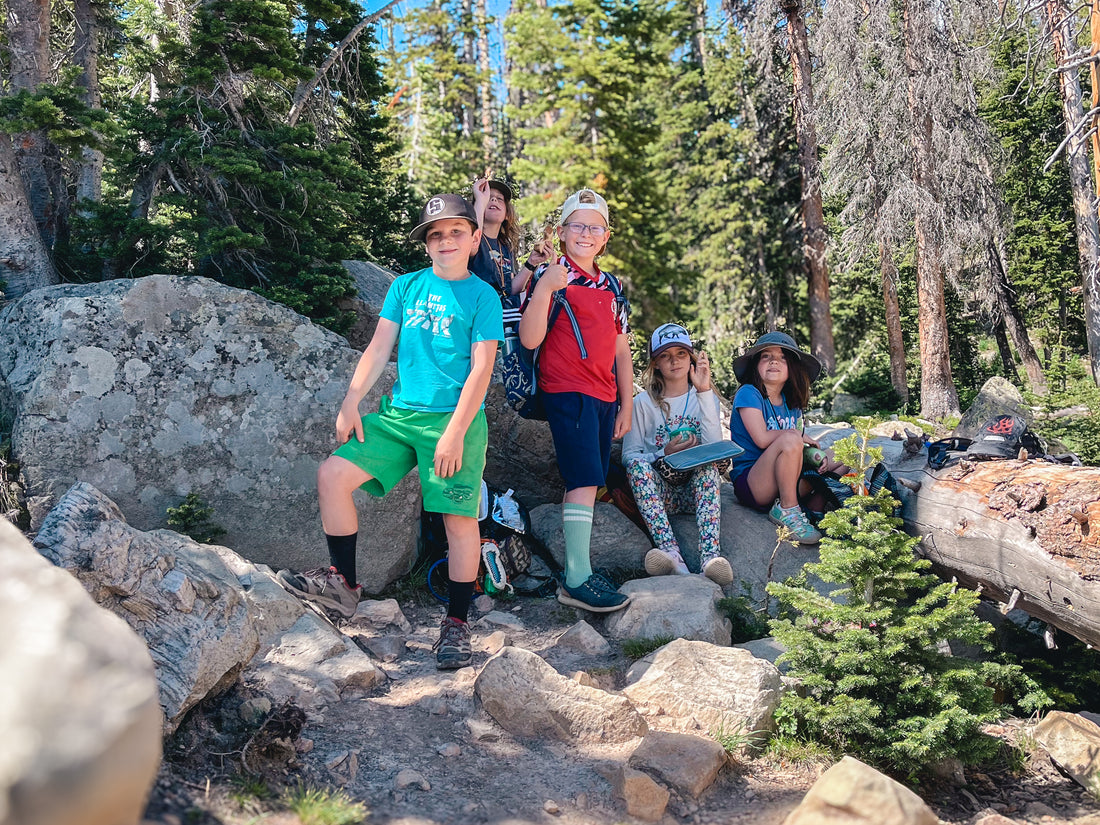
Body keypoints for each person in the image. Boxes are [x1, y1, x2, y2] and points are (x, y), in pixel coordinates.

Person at [276, 193, 504, 670]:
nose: (445, 241)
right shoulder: (406, 287)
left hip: (454, 423)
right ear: (426, 244)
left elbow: (481, 371)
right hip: (398, 418)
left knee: (457, 523)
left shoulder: (483, 296)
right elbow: (379, 348)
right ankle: (344, 585)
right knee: (332, 475)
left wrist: (456, 431)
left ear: (474, 238)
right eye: (435, 234)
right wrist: (351, 401)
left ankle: (457, 626)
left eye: (456, 232)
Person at [518, 188, 633, 612]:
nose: (586, 233)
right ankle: (577, 579)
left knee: (587, 479)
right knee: (584, 481)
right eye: (578, 225)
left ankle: (576, 568)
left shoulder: (611, 284)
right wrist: (545, 286)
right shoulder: (554, 275)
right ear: (563, 231)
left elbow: (621, 347)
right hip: (567, 389)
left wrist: (628, 402)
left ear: (606, 236)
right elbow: (530, 338)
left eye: (595, 227)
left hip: (603, 394)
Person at [622, 323, 733, 586]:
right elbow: (629, 455)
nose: (674, 361)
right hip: (663, 495)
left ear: (691, 358)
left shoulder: (703, 396)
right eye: (665, 355)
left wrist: (705, 391)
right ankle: (671, 555)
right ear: (655, 363)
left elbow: (715, 448)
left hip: (699, 493)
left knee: (707, 467)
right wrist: (664, 453)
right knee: (637, 467)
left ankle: (710, 559)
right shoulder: (642, 403)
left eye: (681, 354)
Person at [728, 331, 845, 545]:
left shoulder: (791, 402)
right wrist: (799, 436)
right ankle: (787, 509)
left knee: (845, 453)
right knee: (791, 438)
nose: (774, 360)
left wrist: (815, 457)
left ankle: (814, 509)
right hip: (755, 484)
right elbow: (763, 439)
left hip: (787, 479)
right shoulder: (748, 393)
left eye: (783, 357)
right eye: (766, 356)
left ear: (792, 368)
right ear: (755, 365)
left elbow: (796, 447)